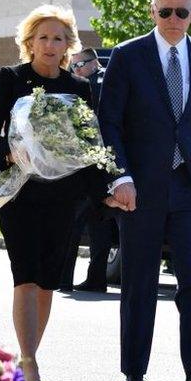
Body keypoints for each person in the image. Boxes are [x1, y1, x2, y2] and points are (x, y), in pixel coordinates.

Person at [98, 0, 191, 381]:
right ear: (152, 11)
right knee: (139, 283)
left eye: (182, 12)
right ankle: (134, 374)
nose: (173, 20)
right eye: (165, 11)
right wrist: (120, 178)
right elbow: (109, 123)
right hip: (140, 189)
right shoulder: (127, 56)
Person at [0, 5, 108, 381]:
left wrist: (106, 192)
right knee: (26, 276)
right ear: (29, 42)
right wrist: (9, 150)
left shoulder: (79, 88)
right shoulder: (11, 79)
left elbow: (89, 146)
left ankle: (30, 353)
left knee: (49, 280)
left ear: (69, 45)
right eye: (43, 37)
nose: (50, 45)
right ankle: (29, 362)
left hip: (63, 197)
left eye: (58, 38)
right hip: (20, 194)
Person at [59, 47, 114, 293]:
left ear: (92, 63)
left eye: (77, 66)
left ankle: (63, 278)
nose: (75, 70)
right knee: (99, 225)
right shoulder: (111, 81)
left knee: (72, 223)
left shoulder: (93, 85)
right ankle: (97, 278)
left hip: (86, 164)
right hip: (108, 165)